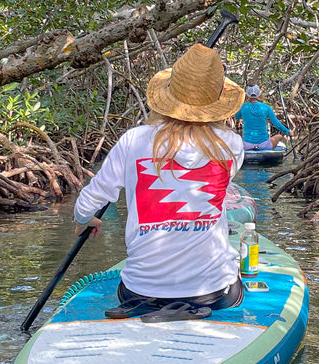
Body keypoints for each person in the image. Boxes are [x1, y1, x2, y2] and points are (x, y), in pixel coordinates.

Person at [73, 44, 246, 322]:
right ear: (216, 104)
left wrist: (85, 219)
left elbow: (89, 202)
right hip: (213, 294)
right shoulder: (232, 145)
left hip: (139, 294)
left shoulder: (134, 140)